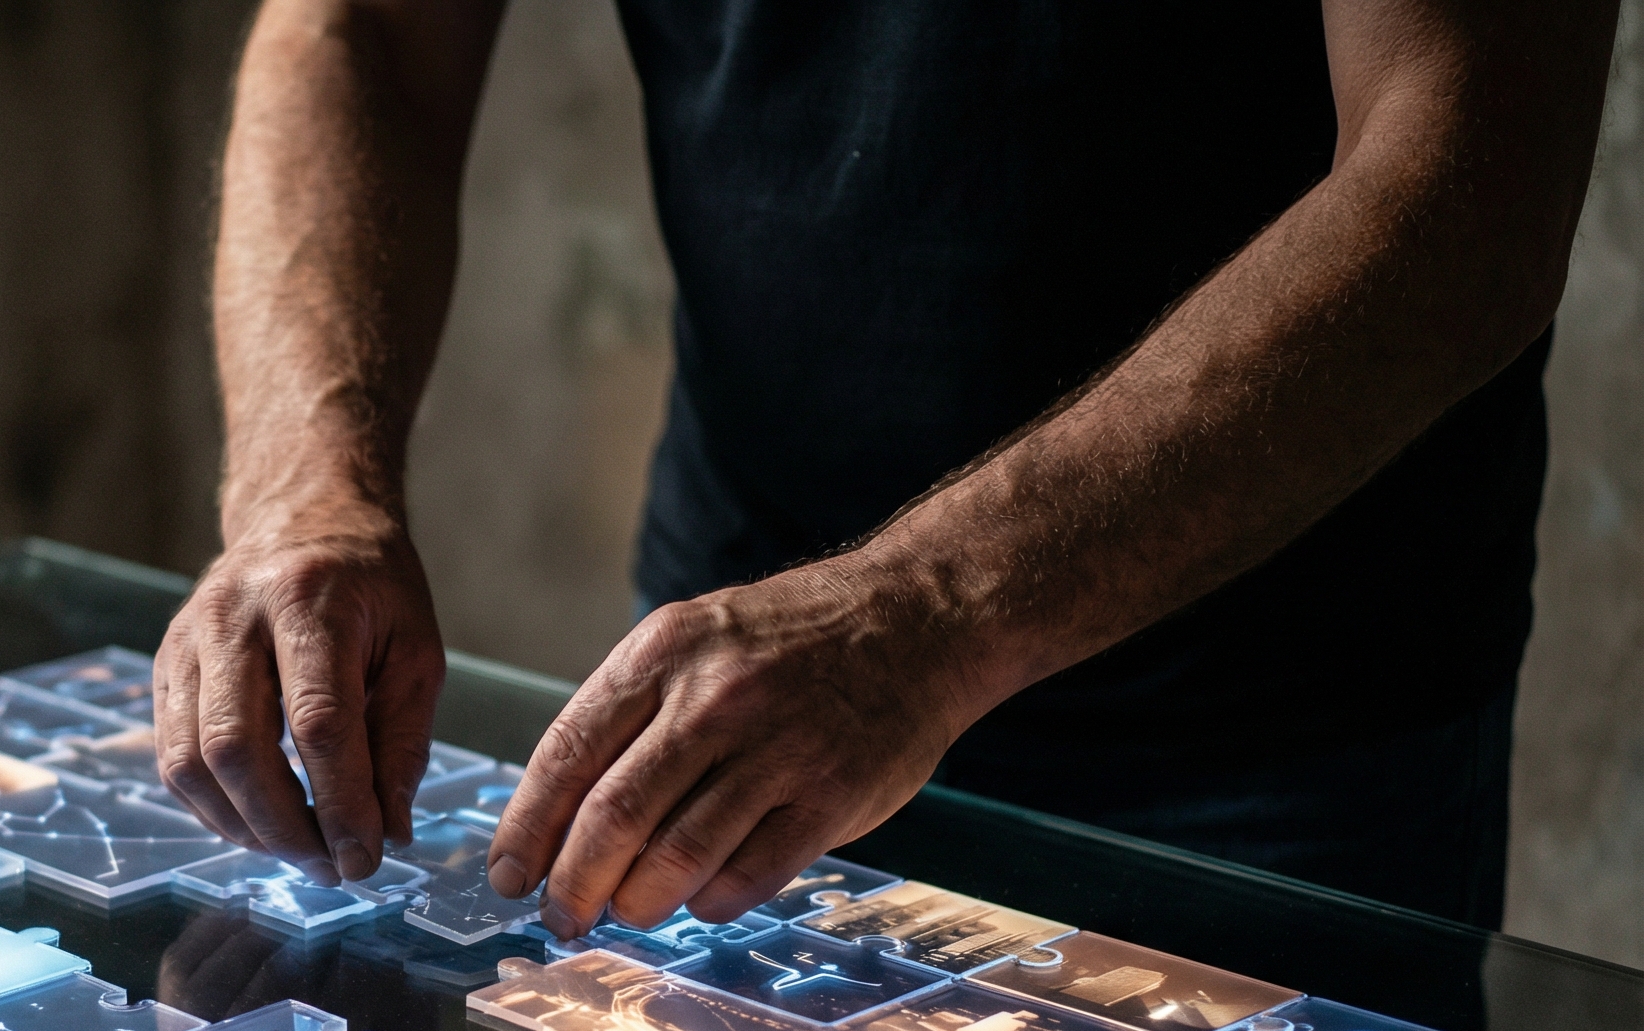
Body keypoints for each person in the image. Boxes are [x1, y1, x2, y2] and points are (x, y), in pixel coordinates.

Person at [153, 0, 1616, 938]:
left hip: (1271, 741)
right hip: (742, 698)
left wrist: (918, 618)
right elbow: (364, 34)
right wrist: (305, 487)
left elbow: (1466, 176)